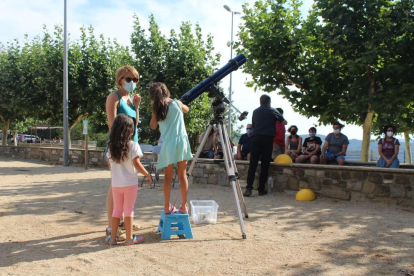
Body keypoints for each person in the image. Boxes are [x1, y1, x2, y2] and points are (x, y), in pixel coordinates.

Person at [105, 65, 141, 238]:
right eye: (128, 79)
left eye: (135, 79)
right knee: (116, 185)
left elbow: (135, 123)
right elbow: (112, 123)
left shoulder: (130, 99)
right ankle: (111, 226)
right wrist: (118, 146)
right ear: (119, 79)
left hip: (131, 144)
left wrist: (136, 106)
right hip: (118, 145)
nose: (132, 82)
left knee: (126, 184)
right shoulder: (114, 96)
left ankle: (123, 221)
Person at [105, 114, 151, 245]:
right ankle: (129, 238)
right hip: (130, 184)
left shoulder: (111, 148)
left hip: (116, 184)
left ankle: (112, 238)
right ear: (130, 130)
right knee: (128, 210)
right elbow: (136, 163)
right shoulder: (133, 146)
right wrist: (147, 174)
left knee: (117, 210)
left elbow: (110, 164)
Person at [149, 82, 192, 214]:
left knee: (167, 177)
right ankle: (184, 206)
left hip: (168, 144)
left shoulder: (157, 109)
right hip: (181, 142)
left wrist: (154, 111)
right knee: (182, 175)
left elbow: (153, 126)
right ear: (167, 92)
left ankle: (167, 206)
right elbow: (187, 110)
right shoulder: (177, 103)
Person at [244, 94, 287, 197]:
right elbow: (284, 122)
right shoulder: (272, 110)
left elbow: (254, 125)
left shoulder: (255, 111)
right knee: (265, 165)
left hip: (256, 138)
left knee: (253, 164)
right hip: (267, 139)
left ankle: (249, 188)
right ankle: (261, 189)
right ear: (269, 102)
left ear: (260, 102)